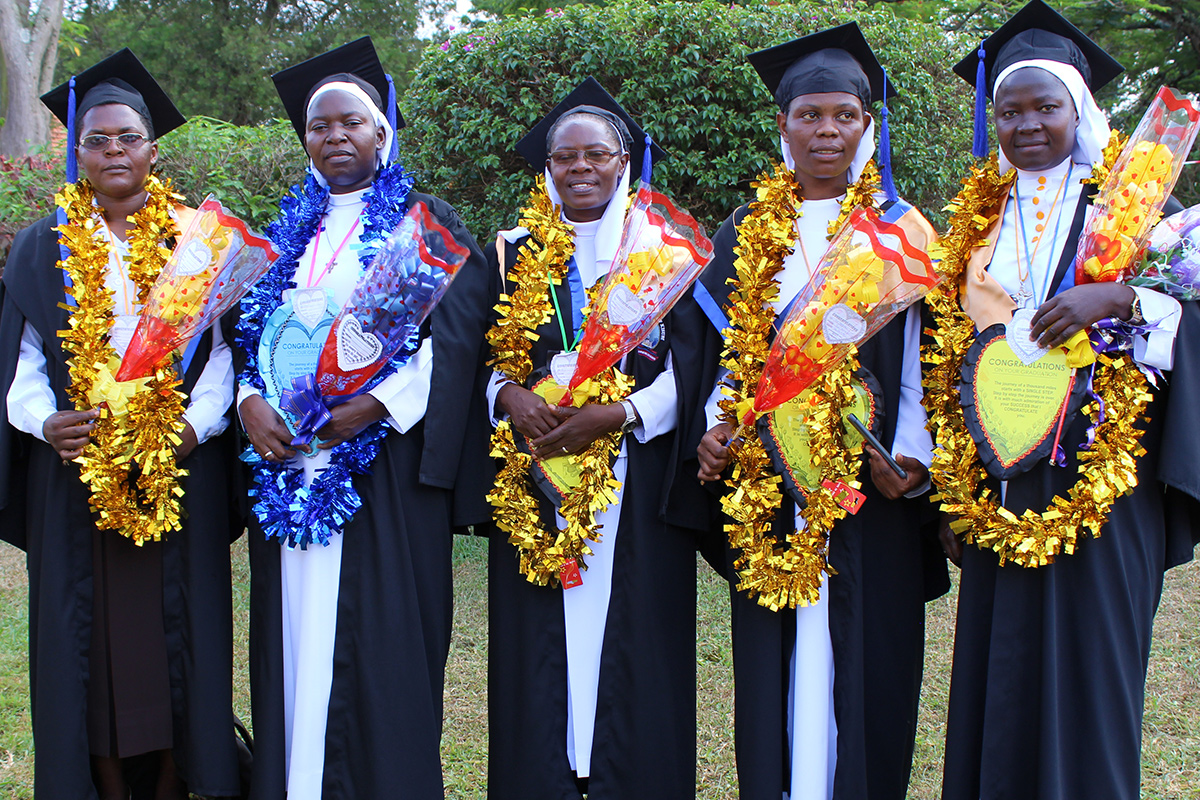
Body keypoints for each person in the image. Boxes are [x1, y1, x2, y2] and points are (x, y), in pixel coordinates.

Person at [929, 2, 1200, 797]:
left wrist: (1114, 298)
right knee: (998, 667)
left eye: (1045, 105)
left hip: (1104, 484)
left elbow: (1189, 318)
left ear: (1078, 109)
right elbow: (946, 356)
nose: (1026, 124)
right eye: (1008, 110)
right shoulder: (975, 227)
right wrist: (954, 489)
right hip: (1001, 477)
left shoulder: (1139, 212)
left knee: (1093, 668)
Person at [684, 24, 948, 800]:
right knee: (777, 659)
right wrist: (715, 429)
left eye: (844, 115)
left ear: (868, 126)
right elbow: (723, 355)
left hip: (871, 489)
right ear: (783, 127)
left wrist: (913, 452)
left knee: (872, 661)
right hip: (771, 489)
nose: (826, 131)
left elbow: (925, 361)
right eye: (810, 115)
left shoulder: (900, 234)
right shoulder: (743, 236)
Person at [233, 37, 492, 799]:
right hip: (287, 469)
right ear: (305, 139)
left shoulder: (425, 224)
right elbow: (247, 331)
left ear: (383, 133)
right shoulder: (282, 236)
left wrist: (378, 404)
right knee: (290, 639)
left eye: (351, 123)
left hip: (379, 474)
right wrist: (250, 401)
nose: (335, 137)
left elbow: (458, 338)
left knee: (383, 643)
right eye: (320, 126)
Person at [0, 49, 243, 799]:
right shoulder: (43, 245)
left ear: (152, 148)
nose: (113, 152)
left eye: (127, 138)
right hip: (75, 474)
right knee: (89, 633)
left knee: (181, 624)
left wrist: (193, 431)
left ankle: (178, 776)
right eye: (97, 140)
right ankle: (100, 777)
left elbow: (224, 359)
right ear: (77, 152)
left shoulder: (196, 238)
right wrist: (45, 424)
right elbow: (22, 361)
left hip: (178, 469)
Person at [483, 77, 706, 799]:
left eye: (596, 155)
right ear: (546, 168)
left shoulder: (665, 254)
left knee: (638, 636)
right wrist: (508, 397)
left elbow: (695, 368)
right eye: (563, 157)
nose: (579, 168)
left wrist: (626, 414)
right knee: (538, 644)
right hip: (540, 478)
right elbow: (479, 360)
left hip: (634, 482)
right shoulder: (511, 253)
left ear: (624, 161)